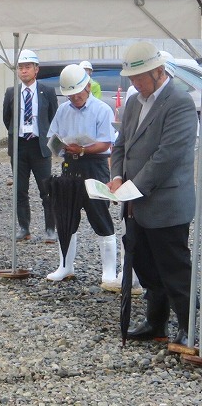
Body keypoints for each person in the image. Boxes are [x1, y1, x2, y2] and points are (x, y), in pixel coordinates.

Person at [108, 42, 197, 345]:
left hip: (166, 202)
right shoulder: (134, 102)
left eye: (140, 77)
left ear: (159, 71)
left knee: (174, 267)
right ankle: (156, 322)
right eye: (132, 78)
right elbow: (120, 144)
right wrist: (117, 177)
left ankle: (188, 326)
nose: (135, 83)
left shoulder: (179, 102)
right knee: (145, 263)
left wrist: (132, 188)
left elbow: (167, 156)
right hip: (135, 203)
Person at [45, 64, 117, 285]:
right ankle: (65, 266)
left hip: (94, 166)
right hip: (70, 165)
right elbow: (53, 136)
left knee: (100, 215)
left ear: (87, 87)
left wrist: (84, 149)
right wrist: (62, 147)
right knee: (66, 216)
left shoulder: (102, 109)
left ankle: (109, 271)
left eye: (78, 94)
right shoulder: (63, 110)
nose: (75, 99)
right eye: (71, 96)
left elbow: (106, 143)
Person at [3, 49, 58, 243]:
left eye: (27, 67)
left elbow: (53, 117)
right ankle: (24, 227)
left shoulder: (47, 91)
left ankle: (50, 228)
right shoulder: (11, 92)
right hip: (19, 146)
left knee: (47, 190)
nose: (24, 71)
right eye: (20, 67)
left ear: (36, 69)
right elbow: (7, 119)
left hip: (39, 146)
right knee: (20, 189)